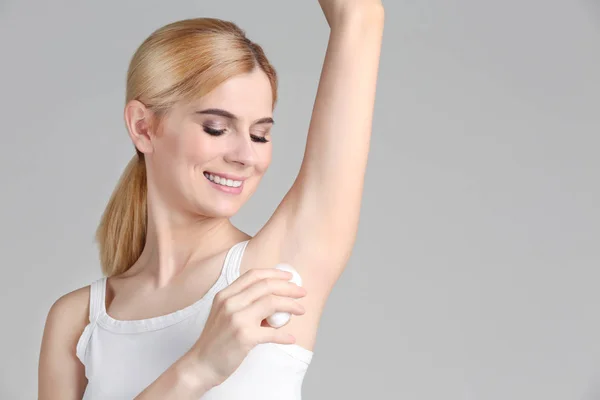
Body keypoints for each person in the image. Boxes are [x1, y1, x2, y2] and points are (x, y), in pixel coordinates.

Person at [38, 0, 384, 398]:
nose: (245, 156)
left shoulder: (274, 272)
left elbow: (360, 16)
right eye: (217, 128)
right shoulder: (78, 321)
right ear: (143, 127)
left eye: (260, 134)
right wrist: (198, 368)